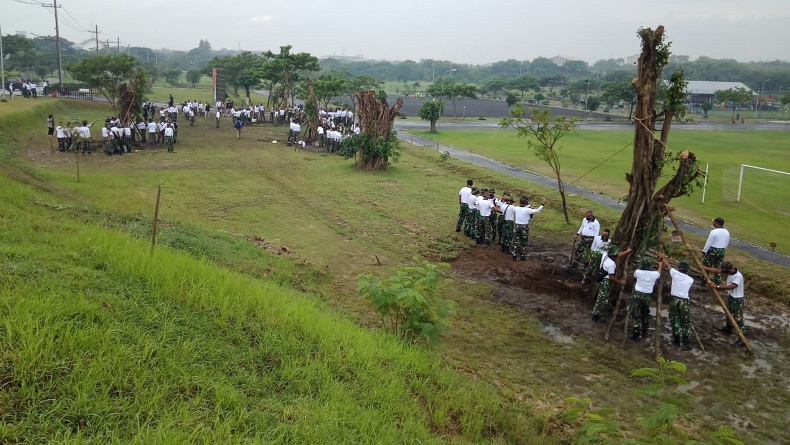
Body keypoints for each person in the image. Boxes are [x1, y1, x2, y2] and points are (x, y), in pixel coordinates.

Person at [658, 253, 695, 350]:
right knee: (685, 321)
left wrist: (662, 257)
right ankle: (686, 343)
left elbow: (667, 265)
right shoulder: (691, 280)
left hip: (674, 300)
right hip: (685, 301)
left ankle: (677, 340)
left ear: (679, 268)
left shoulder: (675, 273)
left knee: (675, 319)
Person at [706, 261, 746, 342]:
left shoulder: (738, 276)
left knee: (738, 318)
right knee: (729, 313)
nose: (724, 272)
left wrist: (717, 286)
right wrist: (704, 267)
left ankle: (742, 337)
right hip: (732, 297)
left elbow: (732, 287)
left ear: (729, 269)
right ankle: (728, 328)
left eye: (725, 270)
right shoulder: (730, 272)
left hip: (738, 299)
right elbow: (717, 270)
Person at [591, 244, 632, 321]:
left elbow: (618, 255)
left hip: (602, 279)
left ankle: (599, 312)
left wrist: (627, 251)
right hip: (605, 282)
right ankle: (596, 315)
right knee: (602, 299)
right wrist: (620, 282)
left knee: (602, 297)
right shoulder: (611, 264)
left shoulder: (605, 255)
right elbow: (611, 277)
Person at [628, 259, 663, 340]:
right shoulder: (654, 274)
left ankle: (636, 334)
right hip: (647, 296)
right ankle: (644, 332)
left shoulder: (638, 272)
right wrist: (660, 265)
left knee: (635, 314)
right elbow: (659, 272)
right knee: (645, 313)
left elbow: (634, 277)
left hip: (637, 295)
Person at [511, 196, 548, 261]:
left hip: (516, 226)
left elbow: (522, 208)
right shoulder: (528, 210)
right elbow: (537, 210)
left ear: (520, 202)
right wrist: (542, 204)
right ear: (526, 203)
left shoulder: (516, 208)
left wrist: (529, 206)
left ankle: (514, 254)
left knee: (516, 241)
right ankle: (523, 256)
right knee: (524, 241)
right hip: (524, 227)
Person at [702, 217, 730, 285]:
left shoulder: (713, 232)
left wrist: (704, 251)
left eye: (714, 222)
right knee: (718, 266)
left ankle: (704, 281)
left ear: (717, 223)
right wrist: (723, 249)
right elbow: (727, 243)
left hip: (713, 250)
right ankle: (717, 281)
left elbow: (708, 243)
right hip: (722, 250)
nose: (713, 223)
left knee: (706, 266)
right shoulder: (726, 232)